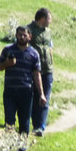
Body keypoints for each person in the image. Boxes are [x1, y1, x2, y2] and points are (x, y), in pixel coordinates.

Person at [0, 25, 45, 151]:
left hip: (26, 92)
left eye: (25, 35)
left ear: (30, 36)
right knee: (9, 121)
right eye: (19, 34)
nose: (22, 37)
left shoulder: (34, 54)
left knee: (24, 123)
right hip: (10, 91)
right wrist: (7, 64)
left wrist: (41, 94)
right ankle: (8, 149)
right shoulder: (7, 50)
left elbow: (37, 74)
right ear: (16, 35)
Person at [26, 7, 53, 137]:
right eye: (49, 18)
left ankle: (40, 127)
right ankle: (32, 123)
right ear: (42, 19)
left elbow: (50, 47)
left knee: (45, 98)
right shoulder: (28, 30)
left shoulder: (48, 31)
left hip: (47, 70)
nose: (50, 21)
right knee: (34, 97)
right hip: (33, 70)